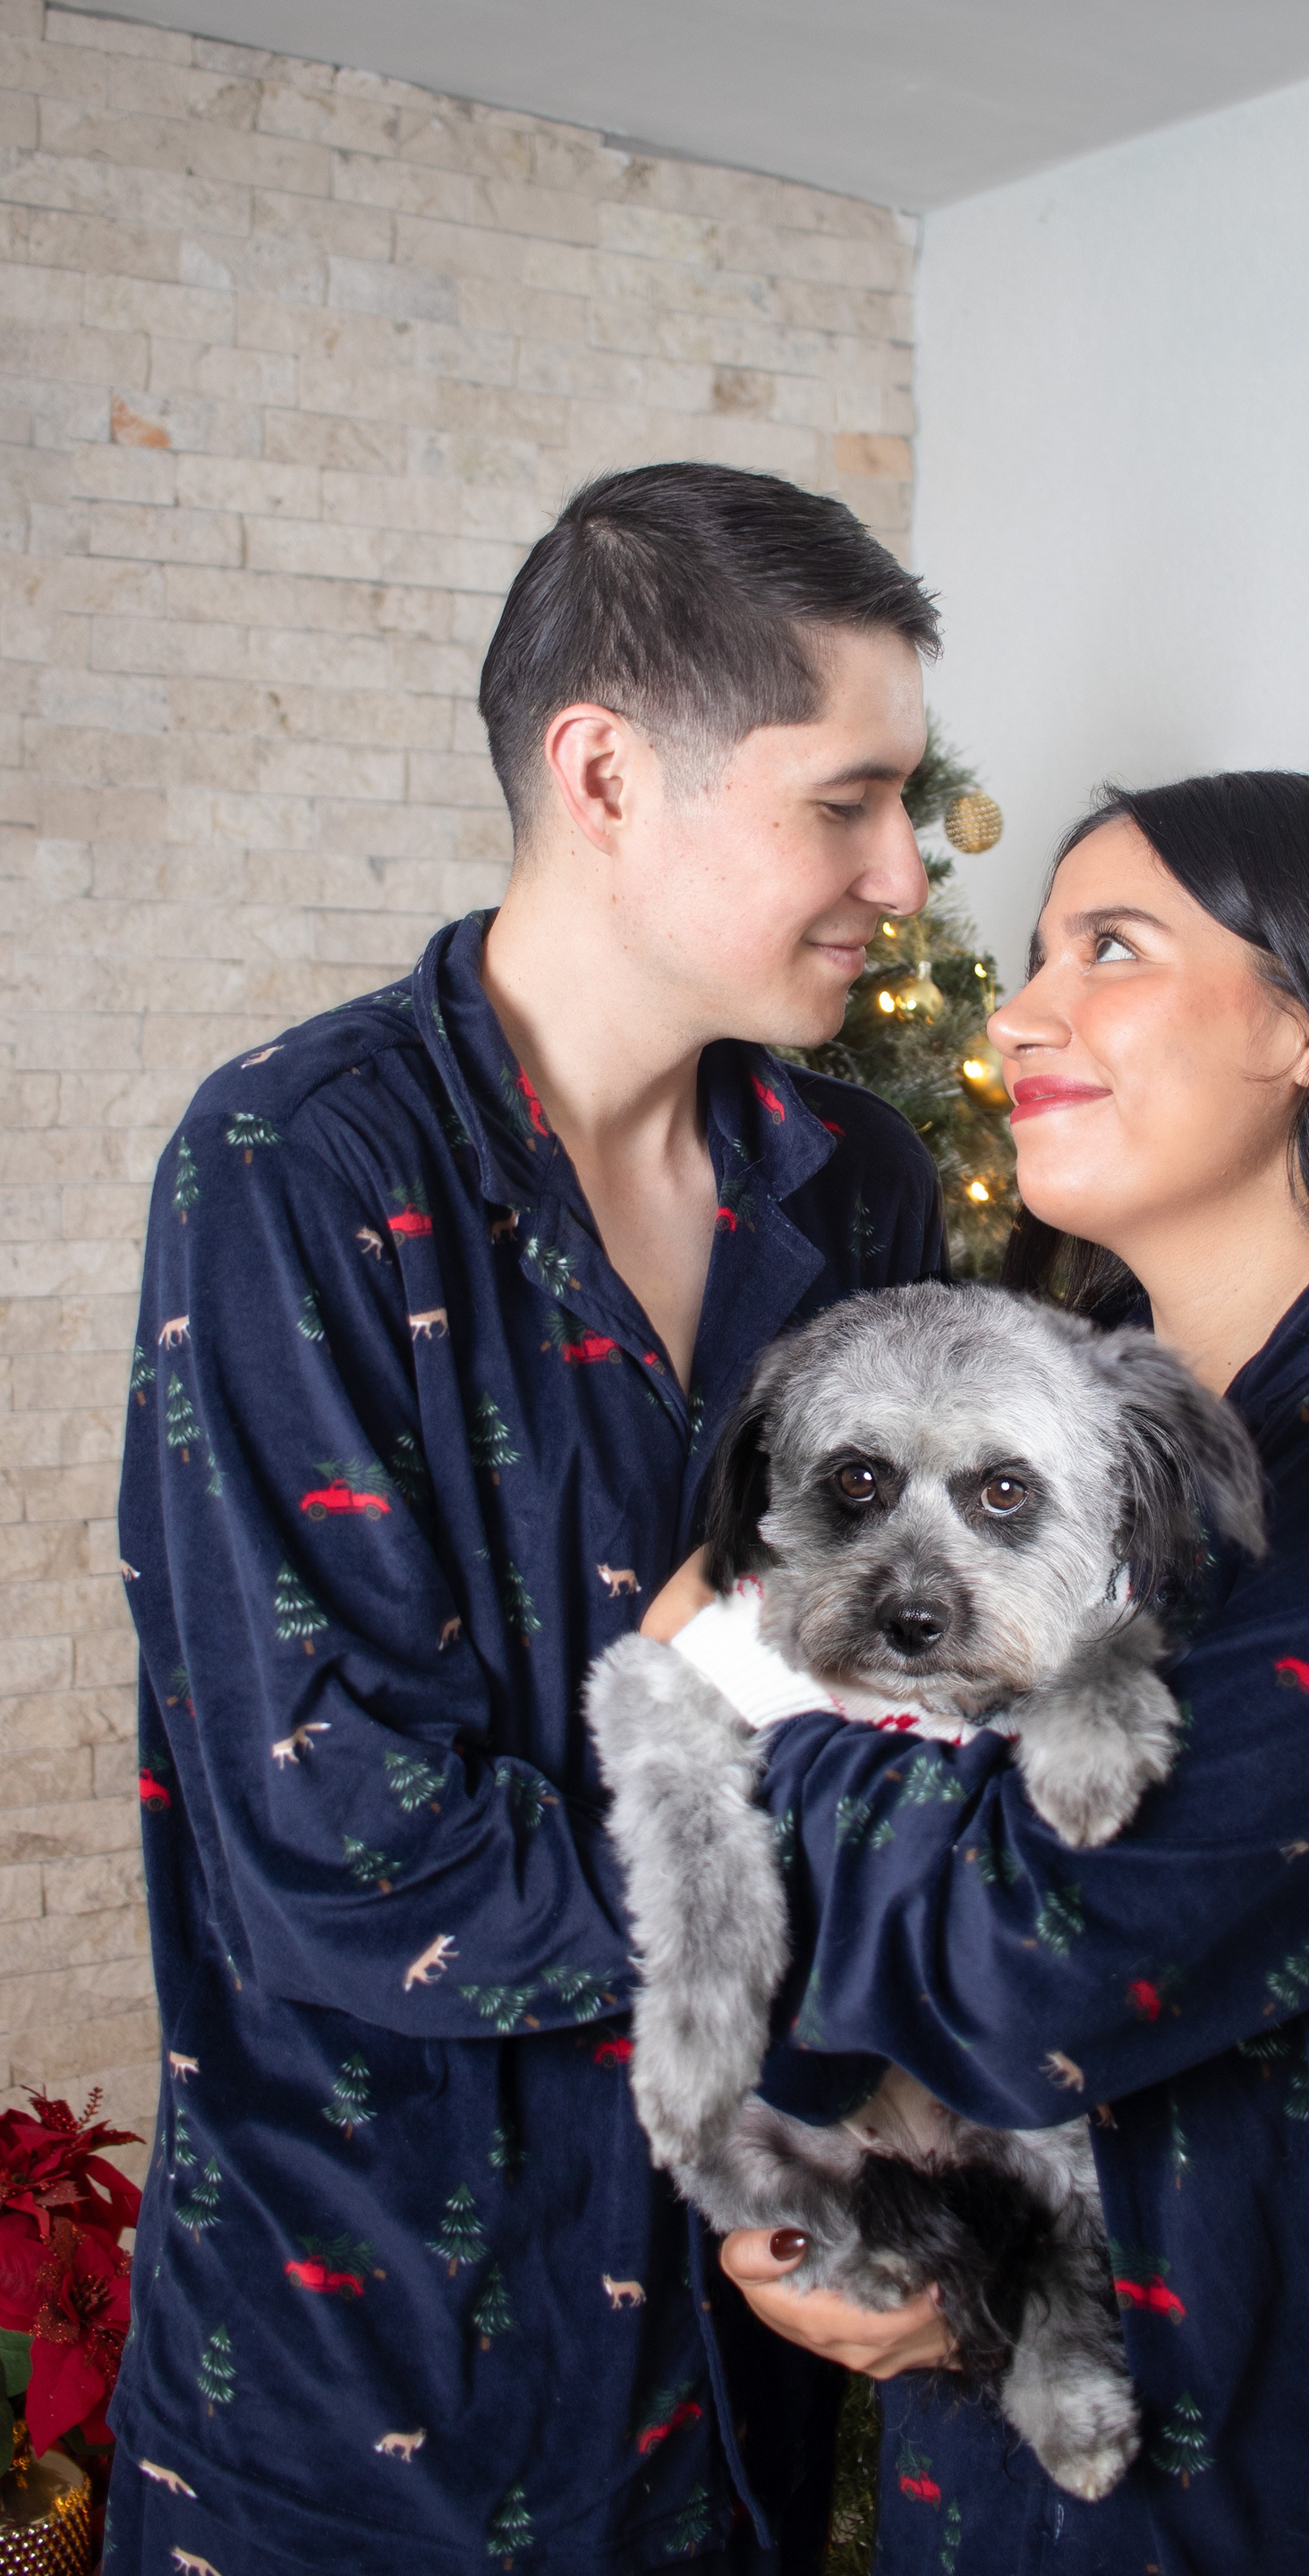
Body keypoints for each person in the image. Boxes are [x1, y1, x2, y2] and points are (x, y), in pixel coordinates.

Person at [107, 463, 947, 2576]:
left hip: (738, 2369)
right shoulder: (296, 1168)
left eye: (908, 803)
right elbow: (343, 1849)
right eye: (844, 803)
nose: (905, 872)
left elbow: (923, 1744)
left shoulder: (859, 1189)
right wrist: (743, 1762)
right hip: (369, 2394)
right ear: (603, 774)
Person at [680, 772, 1309, 2572]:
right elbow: (869, 1992)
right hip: (1018, 2471)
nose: (1024, 1014)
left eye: (1111, 949)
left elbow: (1040, 1956)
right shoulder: (1048, 1419)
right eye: (1039, 953)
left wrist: (732, 1686)